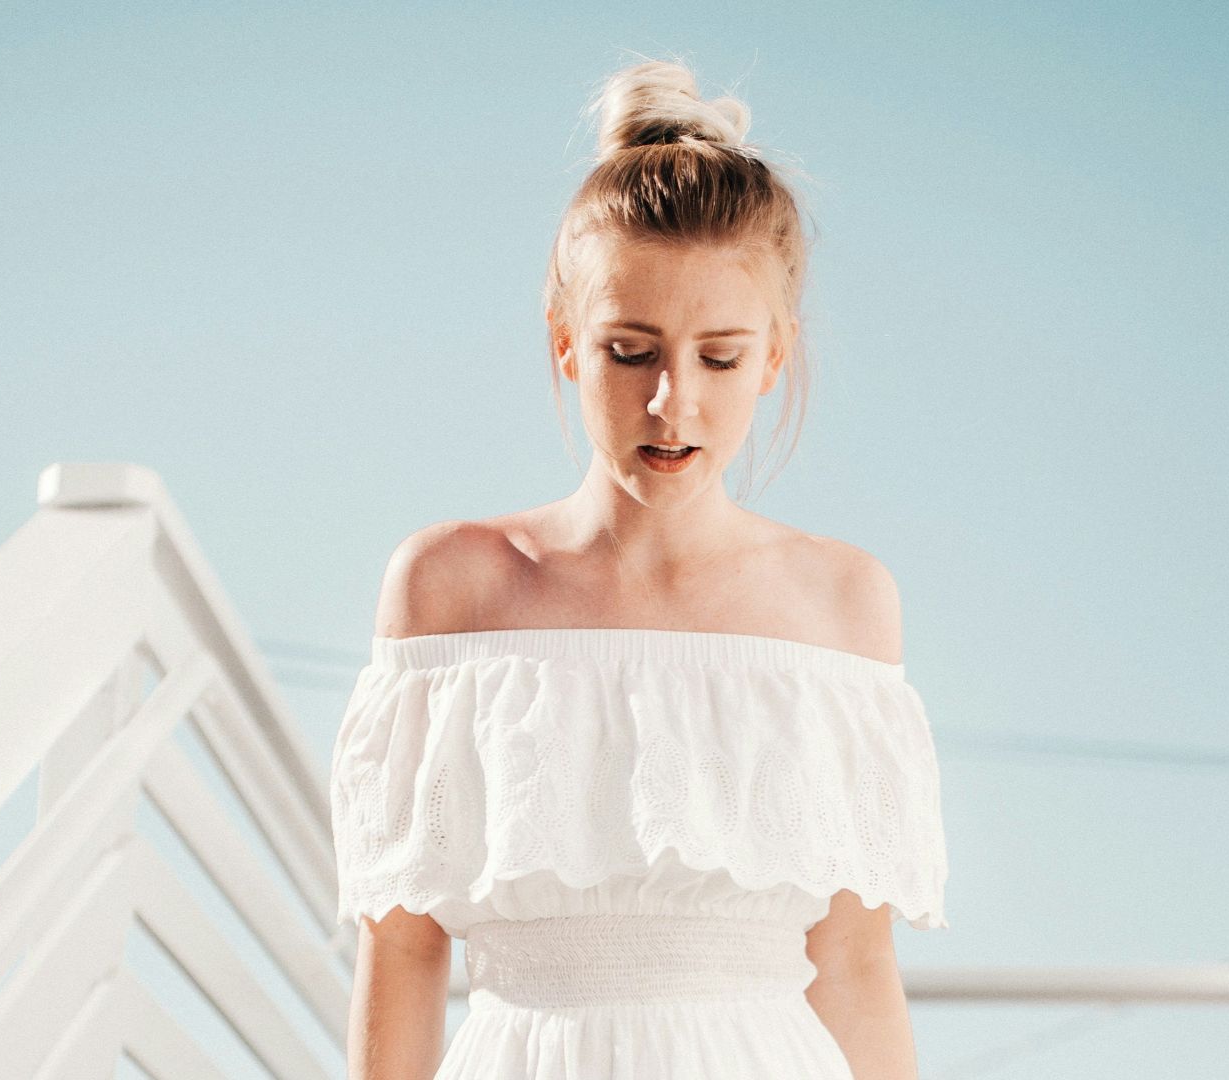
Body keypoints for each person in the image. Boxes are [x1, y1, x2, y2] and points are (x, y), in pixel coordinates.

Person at [330, 55, 949, 1080]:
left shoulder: (845, 603)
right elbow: (401, 950)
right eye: (630, 351)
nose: (674, 403)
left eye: (719, 357)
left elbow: (852, 965)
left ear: (774, 356)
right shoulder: (449, 586)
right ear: (565, 342)